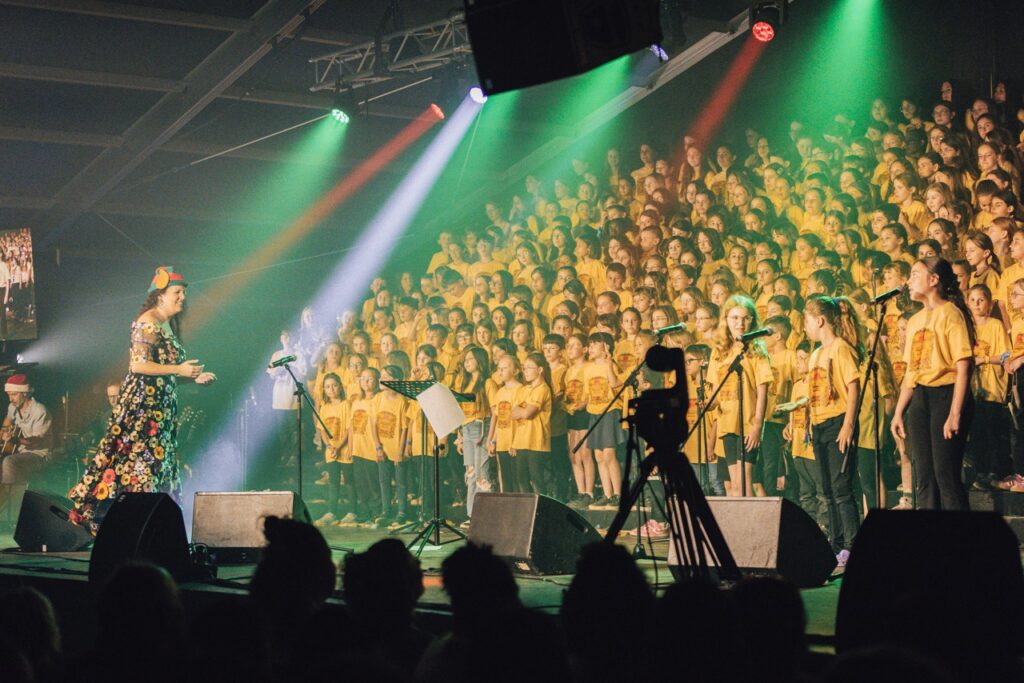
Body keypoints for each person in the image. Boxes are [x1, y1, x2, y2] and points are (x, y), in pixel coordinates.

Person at [69, 267, 216, 533]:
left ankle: (150, 526)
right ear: (160, 295)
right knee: (138, 463)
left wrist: (192, 377)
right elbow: (138, 365)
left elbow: (162, 373)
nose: (183, 297)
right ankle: (120, 523)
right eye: (177, 292)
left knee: (156, 465)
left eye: (184, 293)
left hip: (160, 410)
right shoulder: (148, 322)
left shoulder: (166, 324)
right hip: (143, 410)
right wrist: (178, 369)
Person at [891, 258, 975, 511]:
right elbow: (912, 372)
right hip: (921, 397)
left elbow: (964, 367)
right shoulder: (915, 321)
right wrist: (899, 411)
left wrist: (955, 413)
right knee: (924, 474)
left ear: (934, 279)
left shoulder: (951, 314)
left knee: (945, 473)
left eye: (915, 274)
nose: (909, 281)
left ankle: (960, 533)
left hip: (946, 395)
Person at [804, 295, 862, 565]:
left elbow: (853, 387)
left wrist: (848, 424)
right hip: (818, 425)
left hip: (838, 422)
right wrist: (808, 422)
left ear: (819, 320)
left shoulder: (840, 348)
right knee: (825, 487)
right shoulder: (816, 354)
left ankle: (851, 544)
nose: (805, 328)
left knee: (841, 487)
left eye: (807, 321)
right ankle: (835, 543)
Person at [0, 374, 53, 485]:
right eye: (9, 395)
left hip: (39, 454)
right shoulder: (13, 407)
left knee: (9, 461)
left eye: (14, 394)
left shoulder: (40, 411)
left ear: (25, 393)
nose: (10, 399)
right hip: (20, 451)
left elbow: (35, 442)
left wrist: (14, 439)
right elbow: (7, 421)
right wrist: (4, 431)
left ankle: (8, 493)